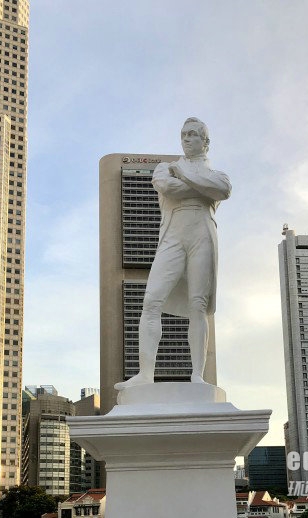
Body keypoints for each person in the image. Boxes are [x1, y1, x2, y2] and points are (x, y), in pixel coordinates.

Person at [115, 117, 231, 390]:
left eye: (193, 134)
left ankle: (197, 375)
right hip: (173, 234)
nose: (186, 139)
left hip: (202, 233)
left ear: (205, 141)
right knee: (151, 300)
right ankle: (145, 374)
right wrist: (201, 186)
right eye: (183, 135)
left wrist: (186, 176)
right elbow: (168, 187)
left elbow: (222, 190)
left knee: (198, 304)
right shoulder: (165, 168)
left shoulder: (217, 175)